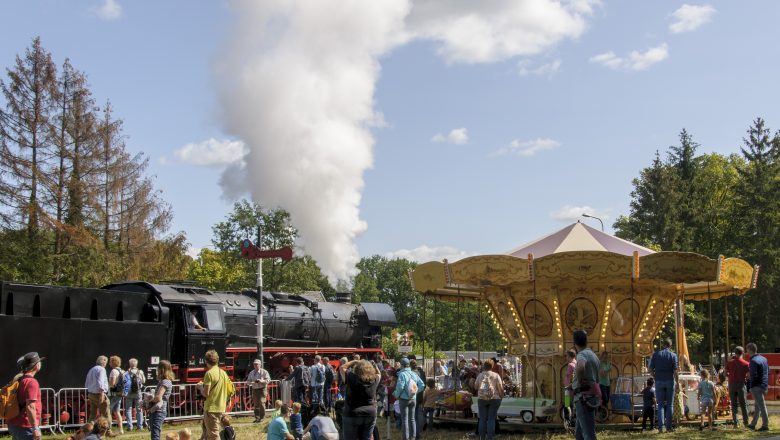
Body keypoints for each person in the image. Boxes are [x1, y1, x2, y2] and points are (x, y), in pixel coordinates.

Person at [196, 350, 232, 440]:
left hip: (211, 409)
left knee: (213, 436)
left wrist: (200, 387)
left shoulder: (209, 373)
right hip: (220, 407)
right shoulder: (223, 373)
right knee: (207, 434)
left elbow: (206, 393)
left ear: (206, 361)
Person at [341, 359, 381, 440]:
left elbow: (342, 367)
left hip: (352, 413)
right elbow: (379, 373)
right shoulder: (374, 379)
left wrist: (354, 361)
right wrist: (374, 365)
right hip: (370, 413)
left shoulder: (351, 377)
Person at [572, 330, 601, 440]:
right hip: (591, 397)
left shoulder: (582, 354)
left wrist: (579, 382)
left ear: (574, 343)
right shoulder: (593, 355)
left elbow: (580, 367)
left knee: (589, 434)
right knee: (579, 434)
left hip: (583, 397)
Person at [8, 352, 44, 440]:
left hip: (15, 424)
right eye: (39, 362)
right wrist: (35, 428)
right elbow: (31, 406)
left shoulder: (20, 379)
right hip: (26, 427)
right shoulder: (32, 382)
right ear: (36, 366)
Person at [648, 338, 678, 433]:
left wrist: (655, 377)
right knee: (669, 405)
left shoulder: (656, 355)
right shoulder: (673, 355)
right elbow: (675, 371)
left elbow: (650, 369)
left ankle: (661, 427)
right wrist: (677, 382)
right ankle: (669, 427)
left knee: (660, 404)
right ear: (670, 345)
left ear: (663, 344)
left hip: (659, 381)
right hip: (669, 380)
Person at [393, 357, 425, 440]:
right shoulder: (414, 373)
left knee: (405, 420)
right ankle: (413, 437)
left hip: (404, 399)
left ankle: (406, 438)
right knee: (412, 419)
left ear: (402, 365)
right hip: (413, 399)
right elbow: (422, 385)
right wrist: (415, 392)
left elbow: (400, 386)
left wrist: (396, 395)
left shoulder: (402, 374)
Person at [476, 360, 504, 440]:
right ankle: (490, 438)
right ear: (492, 366)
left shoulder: (480, 375)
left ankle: (482, 438)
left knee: (482, 419)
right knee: (491, 419)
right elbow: (500, 389)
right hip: (494, 399)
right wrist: (501, 397)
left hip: (482, 399)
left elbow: (475, 386)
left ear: (484, 366)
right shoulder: (496, 375)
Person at [147, 360, 174, 440]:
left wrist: (147, 402)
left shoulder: (165, 382)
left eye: (158, 368)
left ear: (161, 369)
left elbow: (158, 397)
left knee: (155, 435)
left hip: (159, 411)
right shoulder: (164, 381)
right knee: (154, 433)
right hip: (157, 410)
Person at [726, 346, 750, 428]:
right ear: (742, 353)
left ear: (735, 353)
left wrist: (730, 376)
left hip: (732, 384)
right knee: (744, 404)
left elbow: (725, 373)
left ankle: (735, 424)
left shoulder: (729, 362)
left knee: (733, 404)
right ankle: (746, 423)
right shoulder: (746, 363)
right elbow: (748, 376)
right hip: (741, 385)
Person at [746, 342, 769, 431]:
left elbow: (753, 375)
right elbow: (768, 371)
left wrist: (750, 385)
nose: (746, 351)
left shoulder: (753, 361)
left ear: (749, 350)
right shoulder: (764, 359)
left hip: (756, 386)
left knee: (761, 406)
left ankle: (765, 425)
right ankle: (753, 424)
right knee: (758, 406)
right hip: (764, 385)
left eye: (747, 349)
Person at [85, 356, 110, 424]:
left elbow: (87, 383)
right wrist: (102, 393)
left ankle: (87, 431)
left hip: (91, 394)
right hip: (99, 394)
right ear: (104, 362)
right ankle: (108, 431)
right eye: (106, 362)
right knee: (106, 413)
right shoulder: (102, 369)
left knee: (92, 414)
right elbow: (100, 382)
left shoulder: (91, 369)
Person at [123, 358, 146, 431]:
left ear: (130, 364)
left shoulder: (126, 373)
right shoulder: (140, 372)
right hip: (138, 393)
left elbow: (124, 383)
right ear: (136, 364)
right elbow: (143, 381)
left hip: (129, 393)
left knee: (128, 410)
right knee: (139, 410)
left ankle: (130, 427)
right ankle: (140, 426)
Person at [246, 358, 271, 422]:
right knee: (256, 404)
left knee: (262, 403)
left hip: (262, 389)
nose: (256, 365)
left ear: (260, 365)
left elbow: (268, 380)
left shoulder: (264, 372)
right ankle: (257, 417)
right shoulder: (251, 373)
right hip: (255, 389)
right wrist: (251, 383)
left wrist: (262, 381)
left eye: (257, 364)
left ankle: (262, 417)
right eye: (254, 364)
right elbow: (248, 381)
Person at [107, 356, 125, 434]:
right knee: (117, 412)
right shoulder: (122, 371)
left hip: (113, 394)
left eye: (110, 361)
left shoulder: (113, 371)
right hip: (120, 393)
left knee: (108, 411)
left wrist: (107, 385)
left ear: (113, 362)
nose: (109, 363)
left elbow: (112, 383)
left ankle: (109, 429)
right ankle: (121, 430)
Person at [409, 359, 426, 435]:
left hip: (413, 396)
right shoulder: (421, 372)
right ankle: (419, 431)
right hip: (420, 395)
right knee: (418, 414)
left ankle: (416, 433)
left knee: (413, 417)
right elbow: (424, 385)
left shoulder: (411, 374)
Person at [563, 349, 577, 420]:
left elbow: (570, 376)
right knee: (574, 402)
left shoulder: (570, 365)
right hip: (575, 386)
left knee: (567, 402)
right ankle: (573, 416)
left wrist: (568, 385)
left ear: (570, 356)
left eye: (567, 356)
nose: (566, 358)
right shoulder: (576, 363)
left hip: (569, 387)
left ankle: (568, 417)